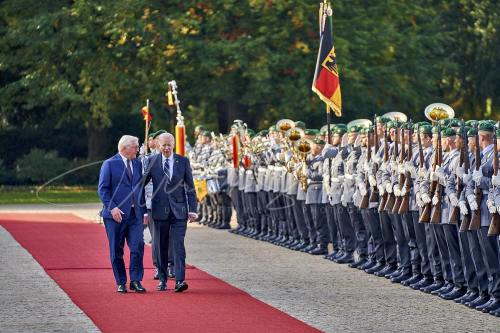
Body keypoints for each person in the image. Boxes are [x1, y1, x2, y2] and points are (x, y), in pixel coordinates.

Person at [143, 132, 198, 292]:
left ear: (173, 144)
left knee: (178, 245)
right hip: (159, 211)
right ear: (158, 145)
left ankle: (180, 280)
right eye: (164, 145)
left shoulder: (183, 161)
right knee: (160, 246)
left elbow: (190, 187)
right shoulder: (151, 161)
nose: (166, 148)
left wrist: (193, 210)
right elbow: (141, 185)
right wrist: (142, 210)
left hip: (179, 211)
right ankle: (162, 279)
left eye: (169, 145)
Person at [98, 135, 148, 293]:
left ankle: (136, 280)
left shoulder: (138, 164)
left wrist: (144, 212)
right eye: (136, 146)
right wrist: (112, 208)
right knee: (116, 250)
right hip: (115, 216)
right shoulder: (109, 164)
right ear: (125, 148)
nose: (138, 149)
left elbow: (140, 190)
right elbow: (103, 189)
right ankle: (121, 282)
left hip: (135, 215)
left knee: (138, 246)